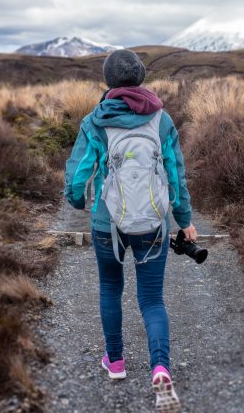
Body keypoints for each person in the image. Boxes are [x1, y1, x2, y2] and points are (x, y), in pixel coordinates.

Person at [64, 49, 194, 413]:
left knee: (110, 288)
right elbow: (175, 175)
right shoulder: (162, 119)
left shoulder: (94, 121)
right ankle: (160, 367)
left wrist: (78, 203)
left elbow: (77, 176)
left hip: (108, 223)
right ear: (139, 77)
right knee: (152, 299)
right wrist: (184, 220)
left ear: (109, 81)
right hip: (153, 223)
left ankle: (116, 363)